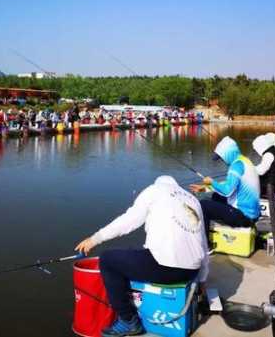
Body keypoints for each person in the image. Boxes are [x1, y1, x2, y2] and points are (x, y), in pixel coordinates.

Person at [75, 175, 209, 337]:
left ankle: (128, 320)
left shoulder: (154, 191)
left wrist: (95, 239)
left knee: (108, 260)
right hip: (191, 271)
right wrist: (202, 279)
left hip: (167, 270)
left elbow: (128, 221)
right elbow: (203, 243)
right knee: (134, 253)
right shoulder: (192, 200)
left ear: (158, 183)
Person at [191, 137, 260, 236]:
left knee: (203, 205)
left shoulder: (236, 166)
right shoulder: (245, 161)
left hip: (244, 217)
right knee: (216, 196)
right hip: (253, 215)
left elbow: (227, 191)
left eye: (222, 157)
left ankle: (206, 244)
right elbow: (230, 185)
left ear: (228, 153)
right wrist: (205, 188)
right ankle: (215, 224)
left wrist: (212, 181)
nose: (223, 161)